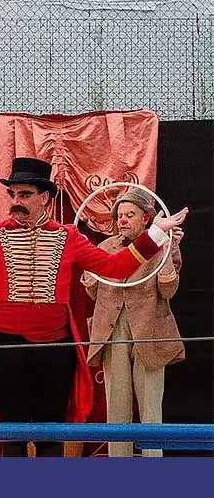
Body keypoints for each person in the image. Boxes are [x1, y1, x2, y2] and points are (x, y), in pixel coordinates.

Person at [0, 157, 189, 457]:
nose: (16, 201)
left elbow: (114, 267)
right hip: (7, 348)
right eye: (13, 194)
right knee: (12, 433)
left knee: (52, 434)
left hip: (55, 349)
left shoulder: (68, 237)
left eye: (25, 194)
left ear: (44, 197)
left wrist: (156, 233)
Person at [81, 187, 184, 457]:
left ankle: (153, 474)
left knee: (151, 409)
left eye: (130, 214)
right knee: (117, 408)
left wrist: (167, 249)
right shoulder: (106, 247)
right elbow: (92, 291)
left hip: (150, 331)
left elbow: (168, 291)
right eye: (121, 215)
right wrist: (86, 263)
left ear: (146, 219)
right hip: (113, 329)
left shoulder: (163, 245)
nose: (123, 220)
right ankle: (120, 473)